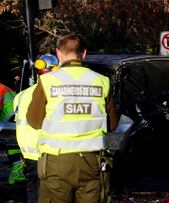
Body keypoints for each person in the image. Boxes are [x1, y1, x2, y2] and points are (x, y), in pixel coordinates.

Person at [26, 33, 119, 203]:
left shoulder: (48, 81)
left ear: (58, 53)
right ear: (83, 53)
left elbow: (33, 120)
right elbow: (112, 124)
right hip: (92, 162)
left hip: (56, 161)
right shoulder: (102, 81)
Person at [14, 54, 59, 203]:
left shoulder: (21, 95)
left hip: (28, 155)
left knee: (34, 191)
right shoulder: (55, 94)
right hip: (49, 154)